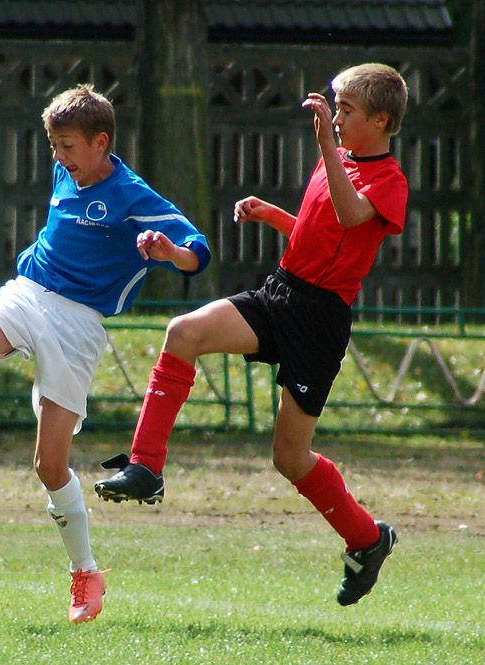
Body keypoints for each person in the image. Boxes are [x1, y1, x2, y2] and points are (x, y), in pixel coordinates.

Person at [0, 84, 210, 623]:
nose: (60, 158)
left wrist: (169, 252)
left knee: (50, 465)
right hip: (29, 290)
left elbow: (199, 252)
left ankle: (86, 572)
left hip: (78, 325)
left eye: (68, 147)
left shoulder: (131, 195)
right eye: (54, 147)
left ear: (101, 142)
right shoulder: (68, 173)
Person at [94, 63, 408, 606]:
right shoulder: (337, 159)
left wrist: (327, 148)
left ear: (380, 121)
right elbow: (319, 234)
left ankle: (367, 539)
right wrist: (275, 217)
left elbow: (351, 216)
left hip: (319, 322)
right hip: (279, 293)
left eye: (347, 110)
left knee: (290, 458)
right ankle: (145, 467)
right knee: (183, 332)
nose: (335, 119)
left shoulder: (388, 180)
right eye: (335, 108)